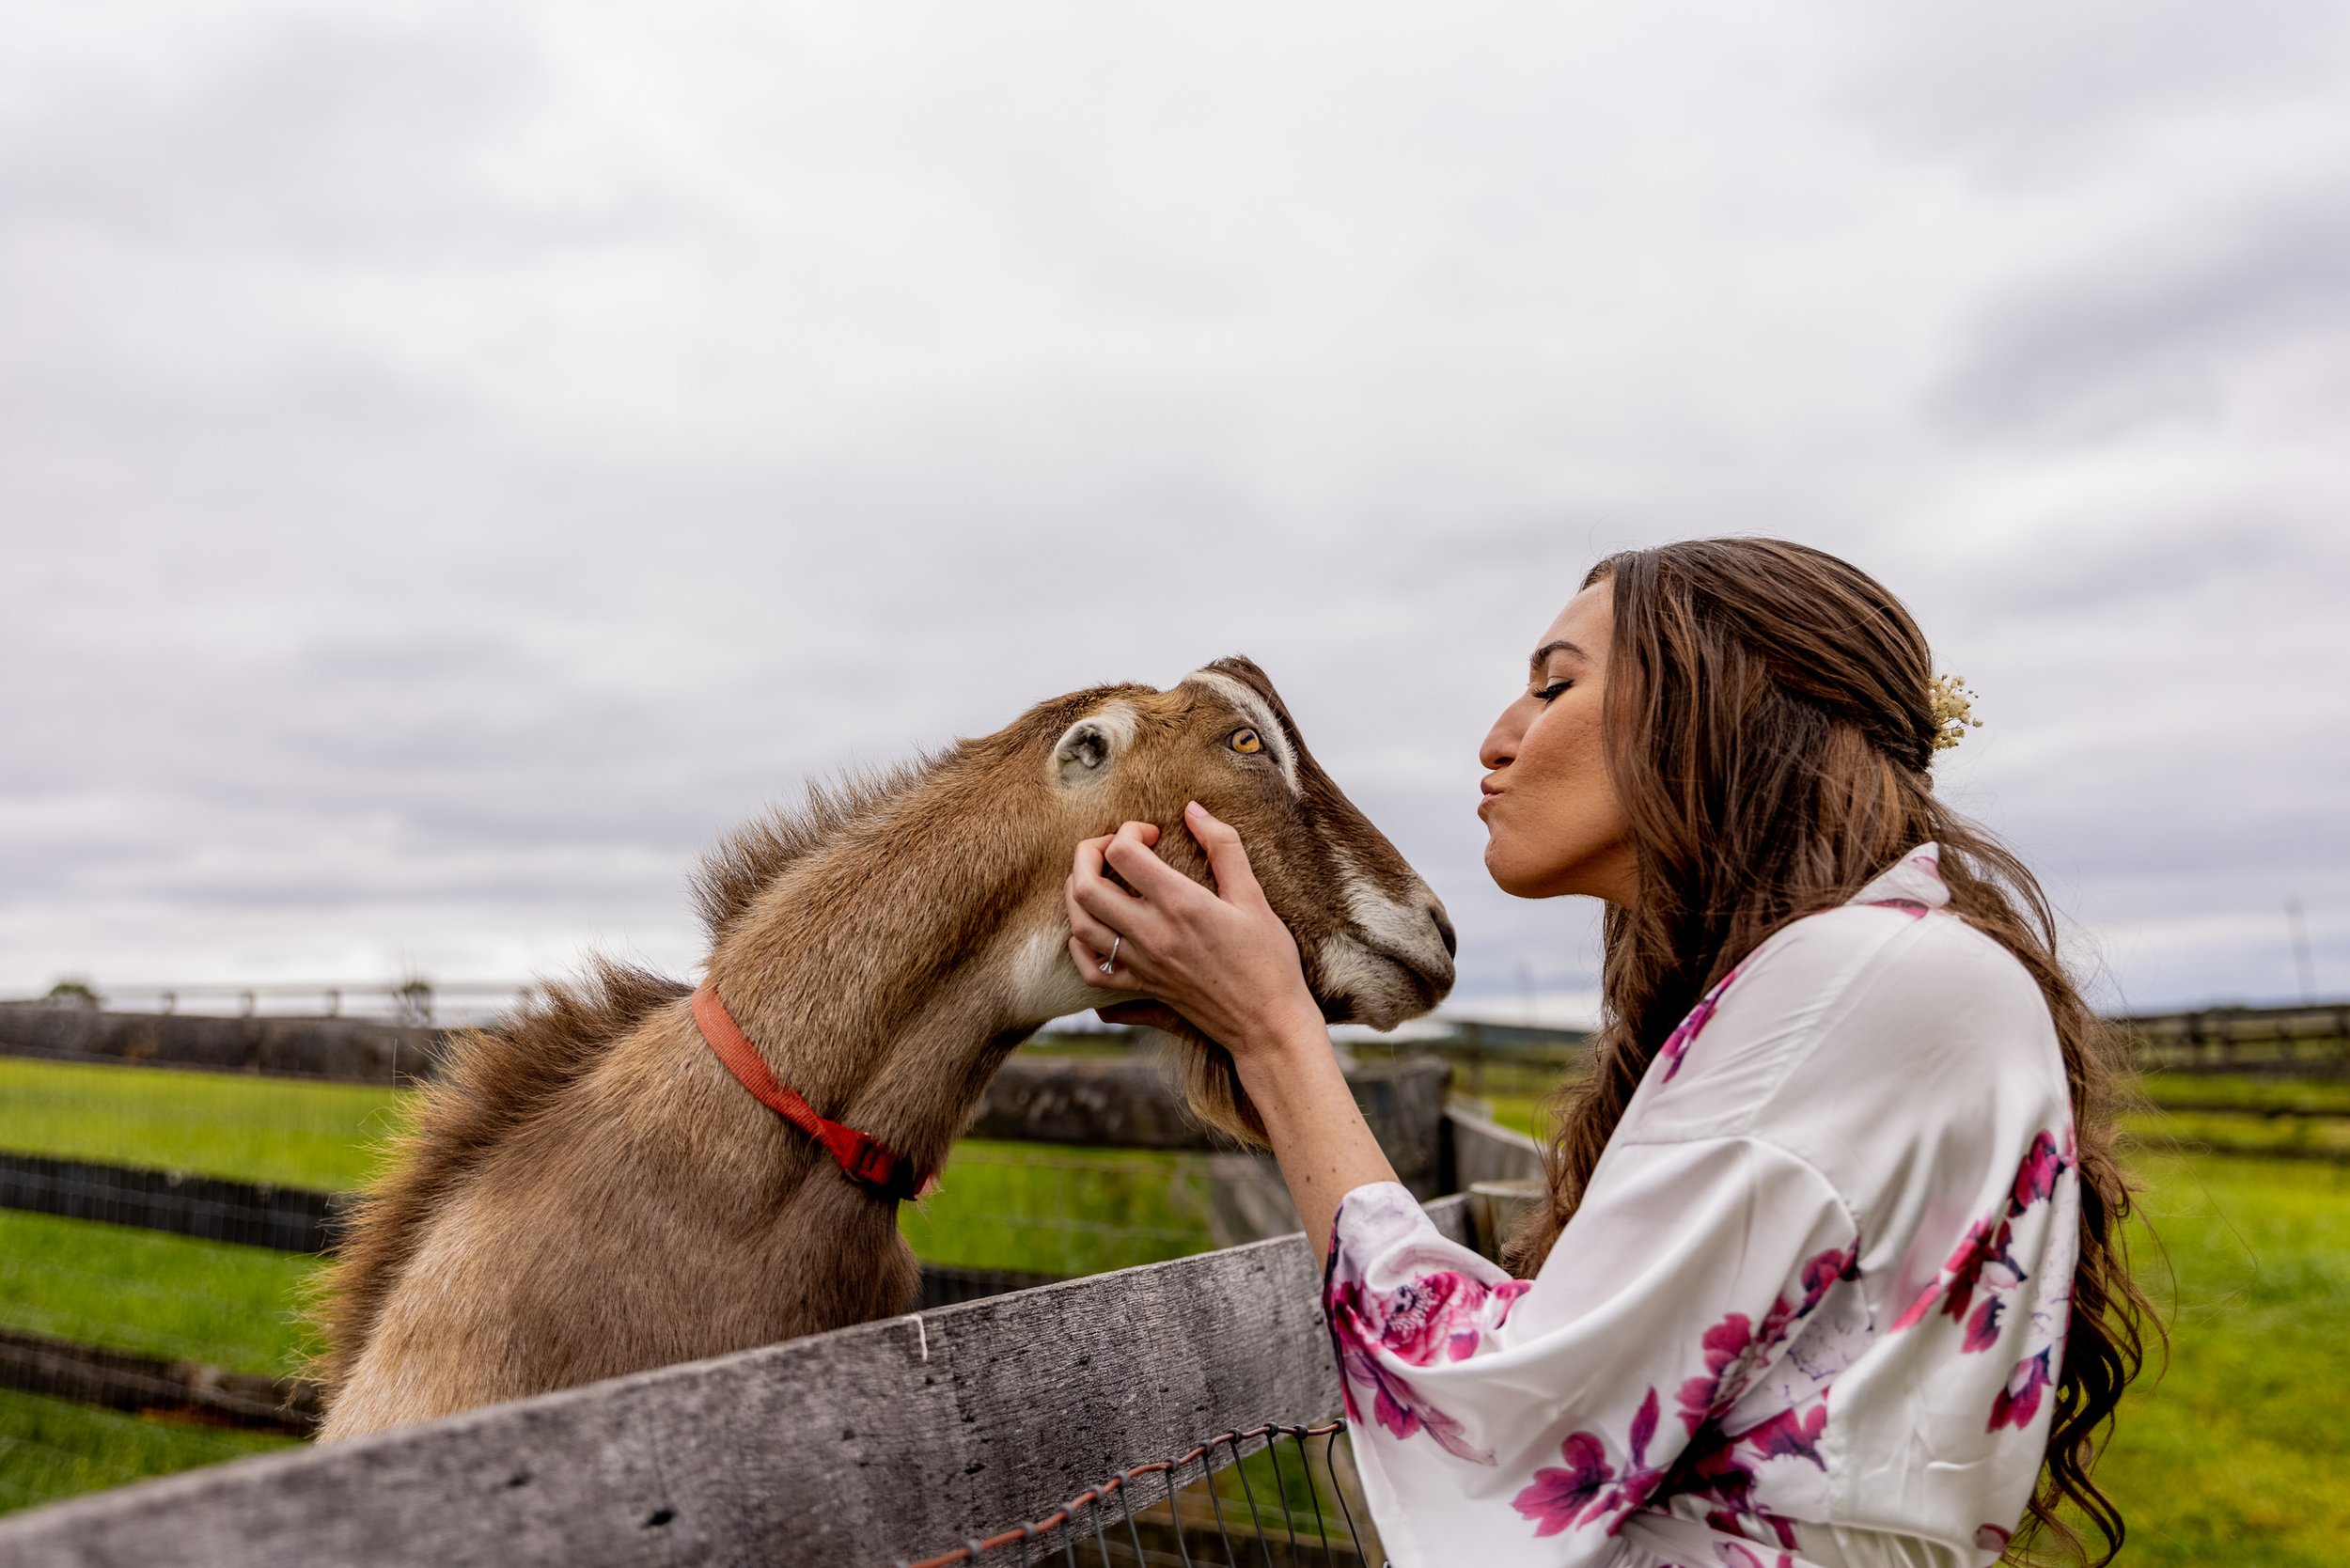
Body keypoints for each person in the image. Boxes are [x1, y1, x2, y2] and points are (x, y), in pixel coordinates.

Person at [1063, 538, 2152, 1568]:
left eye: (1553, 687)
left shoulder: (1856, 979)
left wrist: (1273, 1030)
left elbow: (1512, 1425)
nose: (1496, 738)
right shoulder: (1883, 973)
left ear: (1710, 713)